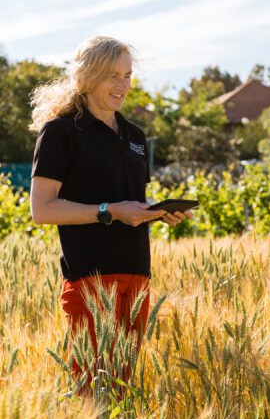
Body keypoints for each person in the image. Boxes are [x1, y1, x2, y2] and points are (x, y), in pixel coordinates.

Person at [28, 36, 193, 392]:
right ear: (88, 77)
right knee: (89, 389)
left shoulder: (135, 135)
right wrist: (110, 212)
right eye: (112, 76)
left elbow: (134, 198)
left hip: (137, 275)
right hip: (89, 277)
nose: (123, 85)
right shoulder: (60, 132)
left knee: (123, 387)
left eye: (128, 75)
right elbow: (41, 209)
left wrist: (158, 213)